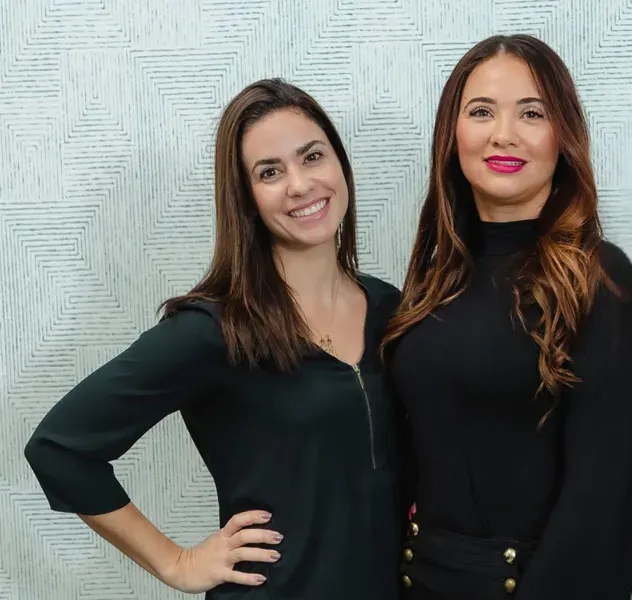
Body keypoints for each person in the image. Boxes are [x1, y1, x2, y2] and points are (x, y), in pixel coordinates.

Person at [24, 78, 407, 600]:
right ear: (245, 198)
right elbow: (59, 450)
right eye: (269, 172)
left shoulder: (392, 308)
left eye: (312, 156)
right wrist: (177, 562)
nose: (299, 184)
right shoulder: (214, 330)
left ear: (340, 165)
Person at [382, 34, 632, 599]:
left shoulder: (599, 278)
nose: (503, 133)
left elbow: (604, 503)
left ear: (564, 135)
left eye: (532, 113)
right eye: (481, 111)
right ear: (451, 134)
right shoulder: (434, 277)